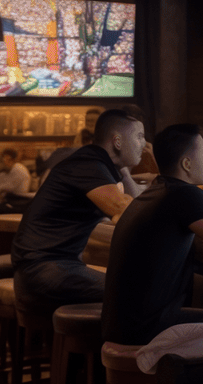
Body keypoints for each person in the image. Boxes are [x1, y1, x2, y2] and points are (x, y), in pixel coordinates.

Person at [103, 124, 203, 346]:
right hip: (146, 330)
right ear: (186, 164)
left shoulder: (157, 190)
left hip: (121, 326)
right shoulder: (186, 194)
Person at [12, 108, 147, 311]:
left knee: (139, 286)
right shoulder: (89, 164)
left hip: (49, 267)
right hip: (42, 271)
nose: (145, 145)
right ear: (117, 142)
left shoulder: (97, 163)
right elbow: (126, 210)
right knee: (139, 291)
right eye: (140, 137)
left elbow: (131, 202)